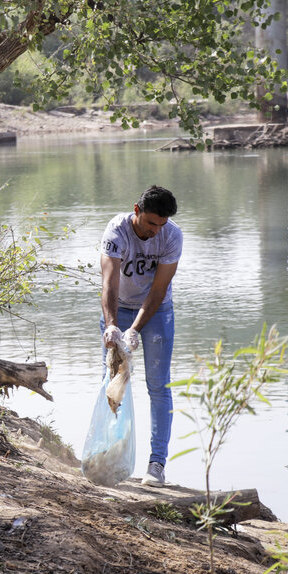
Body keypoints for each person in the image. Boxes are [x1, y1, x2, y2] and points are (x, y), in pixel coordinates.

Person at [99, 185, 182, 488]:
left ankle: (156, 464)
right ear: (137, 211)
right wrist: (112, 325)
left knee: (159, 385)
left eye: (161, 225)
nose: (155, 231)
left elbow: (159, 290)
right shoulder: (116, 231)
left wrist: (135, 329)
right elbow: (109, 284)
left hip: (157, 312)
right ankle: (111, 456)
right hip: (118, 307)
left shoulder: (172, 236)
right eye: (150, 223)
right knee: (114, 381)